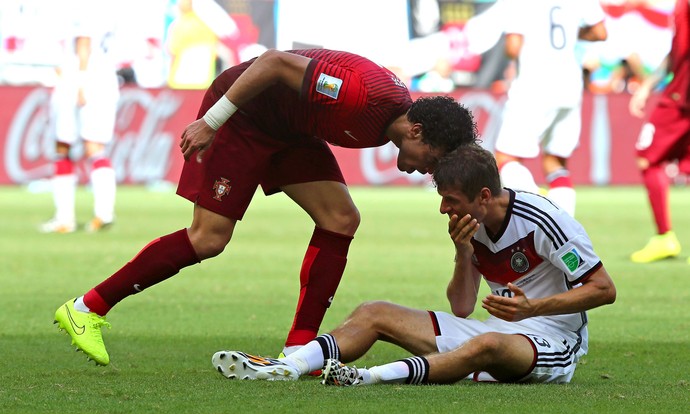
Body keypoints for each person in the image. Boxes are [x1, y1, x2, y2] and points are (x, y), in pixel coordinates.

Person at [54, 48, 478, 366]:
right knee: (208, 239)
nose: (429, 170)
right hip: (245, 118)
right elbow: (274, 63)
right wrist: (212, 121)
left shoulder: (394, 117)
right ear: (417, 131)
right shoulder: (357, 96)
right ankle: (85, 309)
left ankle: (299, 348)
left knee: (341, 218)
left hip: (289, 129)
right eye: (434, 158)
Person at [213, 144, 616, 385]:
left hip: (555, 341)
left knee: (487, 345)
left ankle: (368, 378)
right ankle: (288, 367)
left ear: (485, 195)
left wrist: (533, 308)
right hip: (499, 329)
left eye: (451, 199)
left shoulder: (544, 220)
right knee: (374, 312)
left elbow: (604, 289)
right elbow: (462, 307)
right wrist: (463, 254)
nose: (443, 208)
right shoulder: (470, 225)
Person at [493, 0, 607, 217]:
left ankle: (538, 207)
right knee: (555, 161)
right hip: (570, 85)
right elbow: (600, 32)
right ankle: (565, 229)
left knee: (505, 158)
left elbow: (513, 47)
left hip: (534, 84)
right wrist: (573, 33)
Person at [40, 0, 119, 234]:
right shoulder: (108, 9)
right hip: (106, 80)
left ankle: (65, 218)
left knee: (63, 145)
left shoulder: (83, 7)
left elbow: (83, 43)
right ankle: (104, 213)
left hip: (80, 82)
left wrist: (81, 82)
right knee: (96, 147)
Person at [629, 0, 690, 264]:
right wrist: (648, 85)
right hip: (678, 91)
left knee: (647, 157)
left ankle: (664, 236)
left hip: (681, 98)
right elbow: (676, 52)